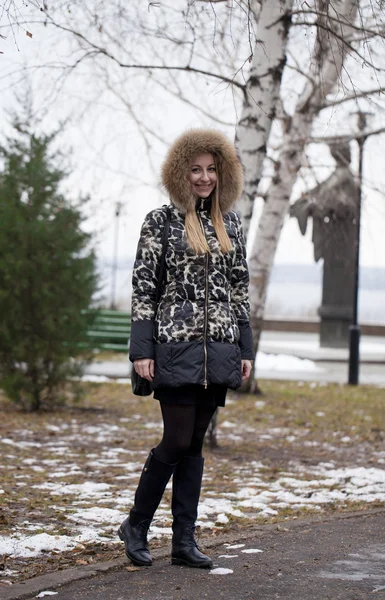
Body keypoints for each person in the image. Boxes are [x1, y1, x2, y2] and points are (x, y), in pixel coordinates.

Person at [118, 129, 254, 569]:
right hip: (174, 349)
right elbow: (143, 289)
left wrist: (245, 348)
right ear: (181, 173)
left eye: (212, 169)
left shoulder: (229, 223)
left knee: (194, 442)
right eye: (195, 169)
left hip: (219, 350)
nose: (204, 177)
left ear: (223, 172)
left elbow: (239, 291)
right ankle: (136, 525)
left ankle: (183, 541)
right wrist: (142, 351)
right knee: (175, 438)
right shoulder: (160, 221)